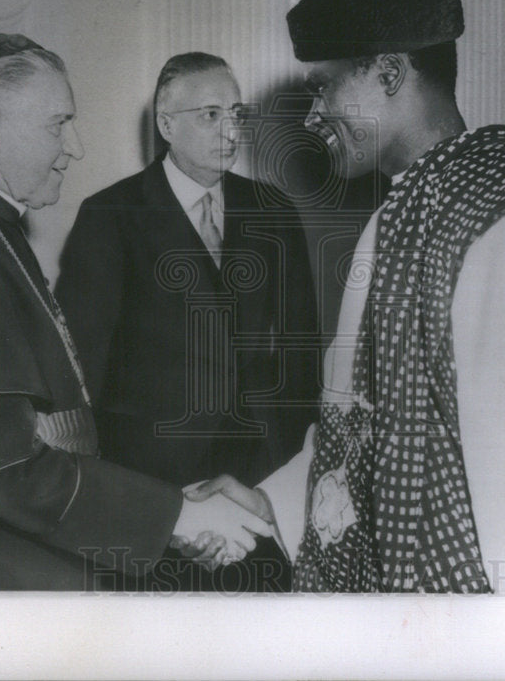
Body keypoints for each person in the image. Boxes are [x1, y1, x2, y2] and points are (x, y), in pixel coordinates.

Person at [187, 0, 505, 594]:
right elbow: (368, 431)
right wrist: (269, 500)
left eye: (323, 86)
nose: (312, 115)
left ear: (387, 74)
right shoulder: (401, 215)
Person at [0, 34, 272, 590]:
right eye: (59, 123)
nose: (74, 146)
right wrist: (174, 516)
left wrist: (168, 498)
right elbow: (4, 470)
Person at [56, 52, 318, 591]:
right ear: (166, 124)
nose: (231, 130)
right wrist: (135, 502)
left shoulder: (274, 211)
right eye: (210, 114)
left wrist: (279, 483)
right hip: (159, 498)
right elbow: (81, 374)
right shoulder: (109, 216)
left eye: (237, 113)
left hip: (260, 492)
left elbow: (301, 356)